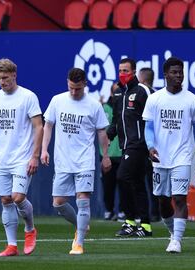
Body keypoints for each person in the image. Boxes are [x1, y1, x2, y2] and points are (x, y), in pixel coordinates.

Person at [40, 68, 111, 255]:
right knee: (58, 202)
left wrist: (105, 156)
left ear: (85, 85)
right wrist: (44, 149)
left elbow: (102, 132)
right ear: (67, 83)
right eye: (71, 88)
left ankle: (79, 242)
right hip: (63, 160)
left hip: (85, 160)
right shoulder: (57, 100)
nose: (74, 92)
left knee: (83, 200)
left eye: (77, 89)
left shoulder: (94, 105)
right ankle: (82, 225)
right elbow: (48, 126)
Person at [143, 57, 195, 253]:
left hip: (183, 157)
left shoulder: (192, 100)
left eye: (180, 72)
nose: (178, 76)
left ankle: (176, 241)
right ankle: (172, 233)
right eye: (174, 72)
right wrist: (151, 147)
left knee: (179, 198)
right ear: (165, 75)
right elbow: (149, 127)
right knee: (163, 200)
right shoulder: (154, 99)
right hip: (160, 158)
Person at [0, 58, 42, 257]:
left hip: (23, 157)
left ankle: (30, 229)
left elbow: (38, 126)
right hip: (2, 158)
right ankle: (12, 245)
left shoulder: (28, 97)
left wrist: (35, 156)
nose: (2, 82)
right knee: (6, 200)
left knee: (18, 197)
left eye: (5, 77)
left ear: (14, 75)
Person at [107, 58, 153, 237]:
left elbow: (152, 117)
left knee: (122, 177)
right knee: (137, 183)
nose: (122, 74)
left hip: (139, 145)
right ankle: (144, 225)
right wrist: (110, 135)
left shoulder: (143, 91)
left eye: (126, 70)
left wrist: (151, 144)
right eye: (120, 70)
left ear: (134, 72)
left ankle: (130, 220)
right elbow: (117, 120)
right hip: (125, 145)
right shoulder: (118, 93)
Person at [101, 82, 126, 222]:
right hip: (108, 153)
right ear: (111, 93)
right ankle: (109, 211)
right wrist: (104, 153)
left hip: (123, 152)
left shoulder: (126, 108)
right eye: (115, 91)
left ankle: (123, 211)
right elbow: (102, 130)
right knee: (108, 185)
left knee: (124, 184)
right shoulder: (105, 108)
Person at [138, 67, 160, 222]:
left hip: (148, 143)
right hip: (159, 143)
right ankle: (156, 212)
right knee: (156, 181)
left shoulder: (146, 95)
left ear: (143, 79)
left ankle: (151, 213)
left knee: (145, 180)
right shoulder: (159, 95)